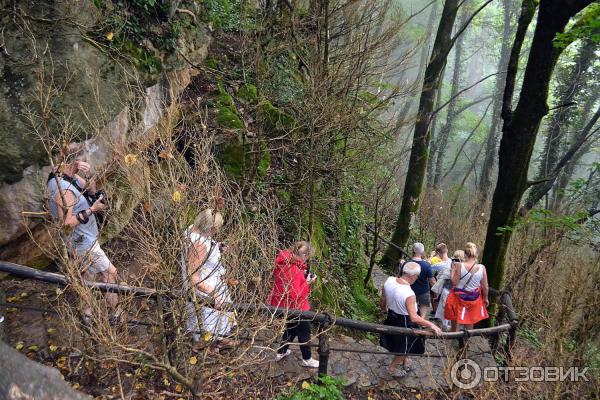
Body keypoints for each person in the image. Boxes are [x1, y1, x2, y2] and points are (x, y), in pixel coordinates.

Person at [46, 143, 119, 323]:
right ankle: (116, 314)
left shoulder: (62, 173)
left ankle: (87, 314)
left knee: (87, 274)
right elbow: (66, 224)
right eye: (84, 160)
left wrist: (89, 175)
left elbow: (91, 189)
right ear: (76, 162)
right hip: (82, 242)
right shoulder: (64, 191)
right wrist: (92, 210)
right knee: (110, 273)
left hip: (82, 239)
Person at [181, 209, 235, 352]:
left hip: (209, 284)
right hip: (205, 289)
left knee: (213, 319)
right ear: (211, 228)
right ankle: (206, 349)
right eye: (216, 228)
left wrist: (216, 247)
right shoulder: (199, 245)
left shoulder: (191, 230)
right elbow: (194, 277)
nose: (217, 231)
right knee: (208, 320)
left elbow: (200, 257)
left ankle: (218, 340)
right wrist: (214, 294)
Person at [380, 262, 442, 376]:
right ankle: (392, 369)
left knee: (400, 343)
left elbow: (383, 298)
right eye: (417, 276)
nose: (417, 278)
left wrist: (384, 309)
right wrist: (431, 325)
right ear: (413, 276)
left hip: (391, 315)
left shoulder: (389, 280)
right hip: (404, 321)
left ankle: (405, 360)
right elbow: (413, 317)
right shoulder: (409, 294)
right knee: (406, 347)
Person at [268, 241, 320, 368]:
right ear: (305, 255)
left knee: (291, 328)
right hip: (296, 306)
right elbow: (295, 295)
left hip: (284, 303)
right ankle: (307, 359)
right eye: (307, 256)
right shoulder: (293, 269)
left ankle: (281, 352)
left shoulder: (285, 259)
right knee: (304, 331)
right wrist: (308, 282)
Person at [445, 242, 489, 332]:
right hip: (474, 298)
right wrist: (486, 298)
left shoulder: (460, 265)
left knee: (456, 318)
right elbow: (485, 286)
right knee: (470, 320)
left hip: (458, 297)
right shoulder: (482, 268)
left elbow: (454, 282)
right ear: (476, 255)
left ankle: (454, 336)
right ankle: (466, 341)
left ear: (465, 254)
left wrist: (452, 270)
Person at [431, 249, 463, 331]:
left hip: (447, 290)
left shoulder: (450, 264)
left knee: (445, 309)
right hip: (455, 292)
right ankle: (448, 327)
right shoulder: (463, 268)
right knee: (451, 310)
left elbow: (441, 276)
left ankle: (445, 327)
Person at [405, 243, 435, 319]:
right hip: (423, 291)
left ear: (413, 251)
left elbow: (400, 277)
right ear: (422, 251)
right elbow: (432, 280)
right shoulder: (426, 265)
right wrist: (436, 291)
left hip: (409, 290)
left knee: (409, 305)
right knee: (423, 306)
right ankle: (421, 320)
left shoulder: (406, 263)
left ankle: (410, 320)